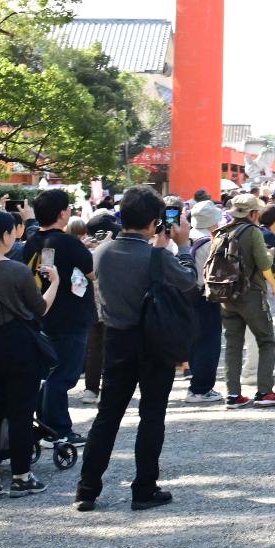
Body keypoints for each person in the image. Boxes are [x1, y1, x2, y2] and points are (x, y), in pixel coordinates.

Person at [74, 186, 199, 512]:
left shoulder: (102, 252)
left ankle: (87, 489)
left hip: (117, 338)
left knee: (108, 415)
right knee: (152, 414)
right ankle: (144, 487)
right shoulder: (156, 256)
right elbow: (189, 280)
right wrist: (182, 246)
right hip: (154, 340)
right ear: (155, 221)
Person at [0, 209, 59, 498]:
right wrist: (54, 282)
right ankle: (21, 476)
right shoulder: (17, 270)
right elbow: (39, 309)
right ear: (6, 235)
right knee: (20, 411)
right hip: (17, 345)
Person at [29, 189, 95, 448]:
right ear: (62, 213)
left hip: (43, 313)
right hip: (70, 315)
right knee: (64, 374)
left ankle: (45, 424)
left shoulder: (34, 240)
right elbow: (91, 273)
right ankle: (59, 429)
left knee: (52, 372)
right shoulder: (68, 242)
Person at [212, 193, 275, 408]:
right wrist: (273, 284)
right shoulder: (252, 232)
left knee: (233, 345)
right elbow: (263, 264)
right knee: (266, 340)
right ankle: (264, 392)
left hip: (226, 295)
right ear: (253, 213)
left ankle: (233, 395)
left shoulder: (221, 231)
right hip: (250, 294)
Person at [183, 200, 225, 402]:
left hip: (186, 296)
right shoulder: (209, 243)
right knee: (209, 343)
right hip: (204, 296)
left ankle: (195, 380)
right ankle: (201, 388)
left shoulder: (185, 237)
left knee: (194, 341)